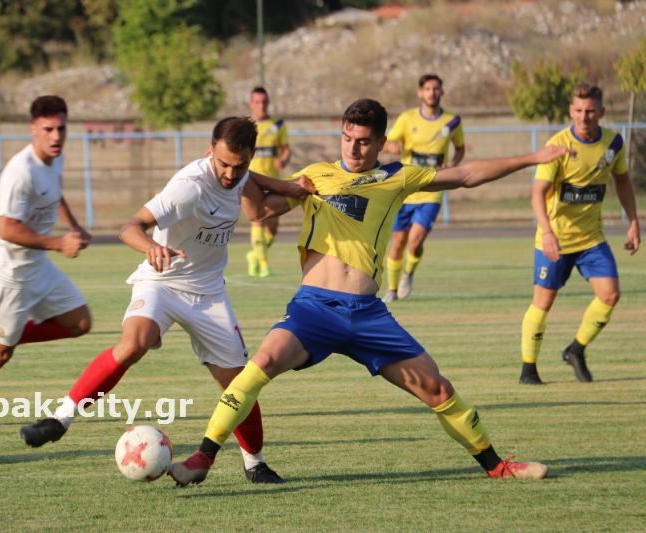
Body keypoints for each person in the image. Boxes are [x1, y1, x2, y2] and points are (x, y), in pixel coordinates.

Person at [168, 98, 568, 487]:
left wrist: (532, 158)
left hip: (367, 314)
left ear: (381, 143)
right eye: (347, 138)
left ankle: (497, 466)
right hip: (314, 308)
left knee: (438, 389)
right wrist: (240, 170)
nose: (353, 148)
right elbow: (258, 212)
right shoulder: (316, 175)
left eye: (362, 141)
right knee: (261, 364)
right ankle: (202, 458)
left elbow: (464, 175)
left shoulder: (397, 177)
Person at [19, 117, 315, 484]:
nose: (229, 174)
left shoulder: (240, 174)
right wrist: (151, 247)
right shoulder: (187, 187)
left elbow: (255, 197)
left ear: (250, 157)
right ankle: (60, 419)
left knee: (239, 385)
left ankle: (255, 463)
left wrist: (291, 188)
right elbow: (129, 227)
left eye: (238, 166)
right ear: (210, 150)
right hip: (160, 281)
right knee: (134, 344)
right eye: (222, 164)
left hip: (208, 294)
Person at [0, 95, 93, 429]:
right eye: (48, 129)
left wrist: (74, 226)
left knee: (80, 322)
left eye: (61, 129)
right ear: (33, 129)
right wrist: (59, 243)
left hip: (37, 266)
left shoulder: (55, 159)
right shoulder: (20, 171)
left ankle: (0, 336)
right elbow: (7, 229)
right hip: (9, 273)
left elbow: (55, 194)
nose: (56, 136)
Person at [518, 84, 640, 385]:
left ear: (601, 112)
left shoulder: (613, 144)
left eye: (590, 111)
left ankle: (576, 349)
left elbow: (623, 182)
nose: (584, 117)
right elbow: (537, 194)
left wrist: (633, 221)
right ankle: (528, 369)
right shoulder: (557, 146)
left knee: (610, 295)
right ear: (571, 112)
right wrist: (547, 232)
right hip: (555, 239)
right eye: (578, 111)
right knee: (543, 303)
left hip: (591, 239)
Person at [382, 74, 465, 302]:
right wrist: (392, 147)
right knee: (398, 242)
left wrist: (452, 165)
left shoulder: (452, 121)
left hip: (432, 189)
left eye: (436, 89)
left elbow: (460, 148)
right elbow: (388, 142)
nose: (432, 93)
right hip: (406, 189)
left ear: (442, 92)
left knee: (416, 241)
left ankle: (408, 273)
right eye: (427, 89)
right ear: (420, 93)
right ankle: (391, 289)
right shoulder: (407, 118)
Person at [245, 87, 292, 278]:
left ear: (268, 102)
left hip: (272, 181)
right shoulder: (246, 126)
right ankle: (263, 265)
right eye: (257, 102)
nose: (261, 105)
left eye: (264, 101)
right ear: (251, 103)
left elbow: (286, 149)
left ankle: (254, 255)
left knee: (272, 227)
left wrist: (284, 160)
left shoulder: (277, 125)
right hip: (251, 181)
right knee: (257, 219)